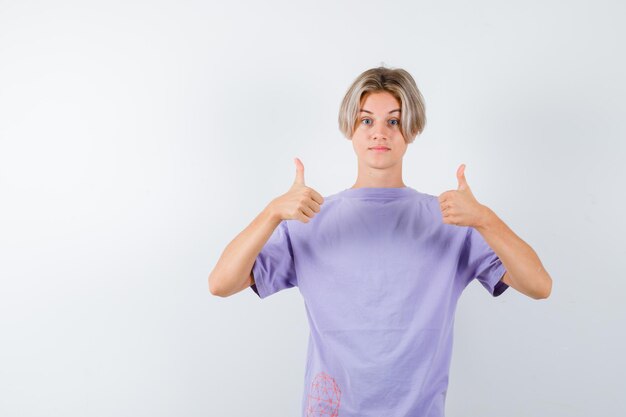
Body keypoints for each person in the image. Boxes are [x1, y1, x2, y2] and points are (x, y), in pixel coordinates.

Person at [208, 65, 553, 417]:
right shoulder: (310, 218)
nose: (379, 134)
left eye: (393, 121)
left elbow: (539, 285)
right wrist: (271, 213)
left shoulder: (450, 221)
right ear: (350, 128)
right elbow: (221, 283)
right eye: (366, 121)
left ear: (412, 129)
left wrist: (485, 219)